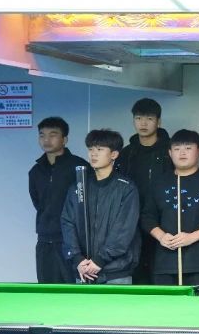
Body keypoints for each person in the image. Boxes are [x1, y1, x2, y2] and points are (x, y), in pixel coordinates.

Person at [140, 129, 199, 286]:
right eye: (177, 148)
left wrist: (192, 237)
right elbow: (147, 217)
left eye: (188, 148)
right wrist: (161, 236)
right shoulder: (159, 183)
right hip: (165, 263)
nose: (182, 153)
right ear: (170, 153)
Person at [60, 129, 140, 285]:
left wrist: (99, 260)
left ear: (114, 154)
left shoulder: (126, 188)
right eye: (90, 149)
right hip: (83, 270)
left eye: (100, 149)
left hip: (116, 272)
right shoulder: (78, 186)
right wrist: (77, 259)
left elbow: (124, 229)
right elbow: (67, 222)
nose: (93, 154)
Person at [117, 98, 172, 285]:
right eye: (138, 118)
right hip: (132, 223)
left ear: (159, 122)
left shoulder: (170, 151)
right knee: (137, 274)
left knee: (161, 276)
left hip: (163, 223)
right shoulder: (126, 153)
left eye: (149, 118)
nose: (143, 123)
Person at [30, 116, 88, 283]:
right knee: (46, 289)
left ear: (65, 139)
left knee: (73, 290)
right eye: (42, 135)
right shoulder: (35, 171)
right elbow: (38, 202)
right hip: (44, 240)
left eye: (53, 134)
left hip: (73, 241)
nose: (46, 140)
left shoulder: (79, 167)